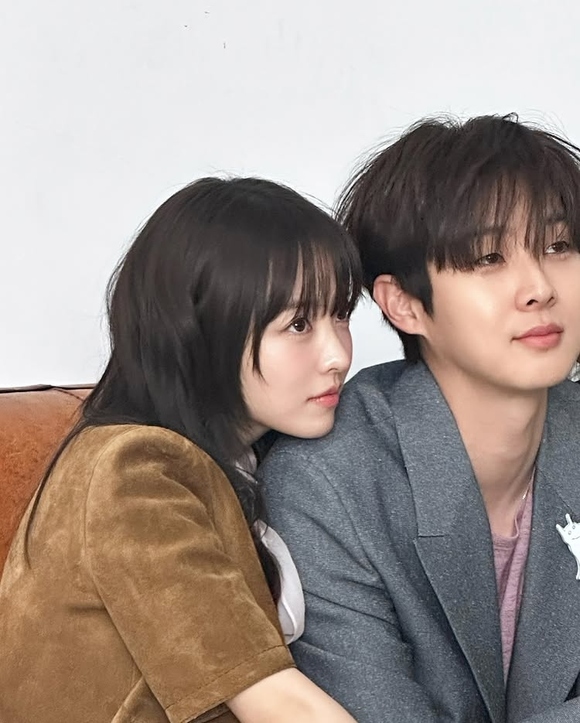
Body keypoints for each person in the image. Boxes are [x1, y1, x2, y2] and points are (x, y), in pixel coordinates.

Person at [0, 177, 362, 723]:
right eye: (298, 324)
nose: (338, 355)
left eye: (341, 314)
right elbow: (273, 700)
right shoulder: (133, 469)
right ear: (202, 331)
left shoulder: (254, 462)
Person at [260, 115, 580, 723]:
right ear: (404, 304)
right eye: (488, 257)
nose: (539, 287)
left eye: (559, 245)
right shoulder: (328, 483)